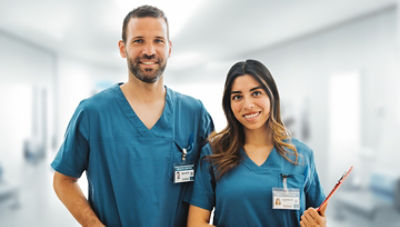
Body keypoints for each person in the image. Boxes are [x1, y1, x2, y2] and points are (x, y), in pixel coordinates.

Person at [51, 5, 213, 227]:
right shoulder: (93, 112)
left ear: (169, 48)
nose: (149, 51)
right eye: (138, 41)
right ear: (122, 48)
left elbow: (215, 179)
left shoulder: (194, 112)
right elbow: (63, 180)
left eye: (158, 40)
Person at [187, 59, 326, 227]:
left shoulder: (302, 155)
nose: (248, 105)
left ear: (271, 96)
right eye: (237, 97)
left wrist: (319, 224)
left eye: (256, 93)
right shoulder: (213, 153)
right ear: (229, 104)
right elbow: (195, 223)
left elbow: (318, 216)